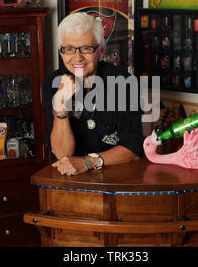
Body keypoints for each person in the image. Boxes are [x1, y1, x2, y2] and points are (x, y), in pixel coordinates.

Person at [42, 12, 144, 176]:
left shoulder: (125, 83)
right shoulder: (51, 84)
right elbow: (62, 154)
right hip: (69, 177)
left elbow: (133, 149)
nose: (77, 57)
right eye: (69, 49)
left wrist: (87, 162)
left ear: (101, 52)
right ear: (61, 53)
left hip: (117, 176)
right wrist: (60, 106)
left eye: (86, 48)